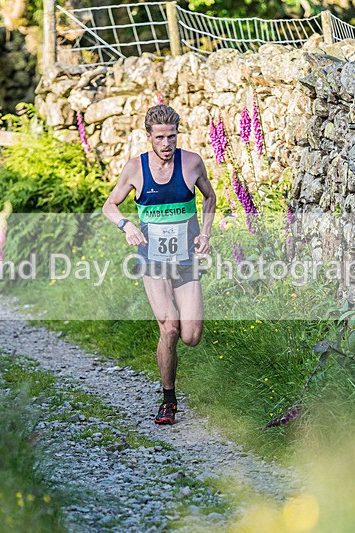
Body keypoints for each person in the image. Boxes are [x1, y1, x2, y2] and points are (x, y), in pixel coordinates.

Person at [102, 105, 216, 425]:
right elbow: (110, 205)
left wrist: (205, 233)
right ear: (148, 136)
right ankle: (168, 400)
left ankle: (172, 356)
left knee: (191, 335)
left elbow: (210, 198)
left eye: (172, 136)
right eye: (160, 137)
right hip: (152, 259)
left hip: (186, 259)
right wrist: (127, 227)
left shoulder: (192, 162)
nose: (167, 143)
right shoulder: (135, 169)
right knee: (170, 327)